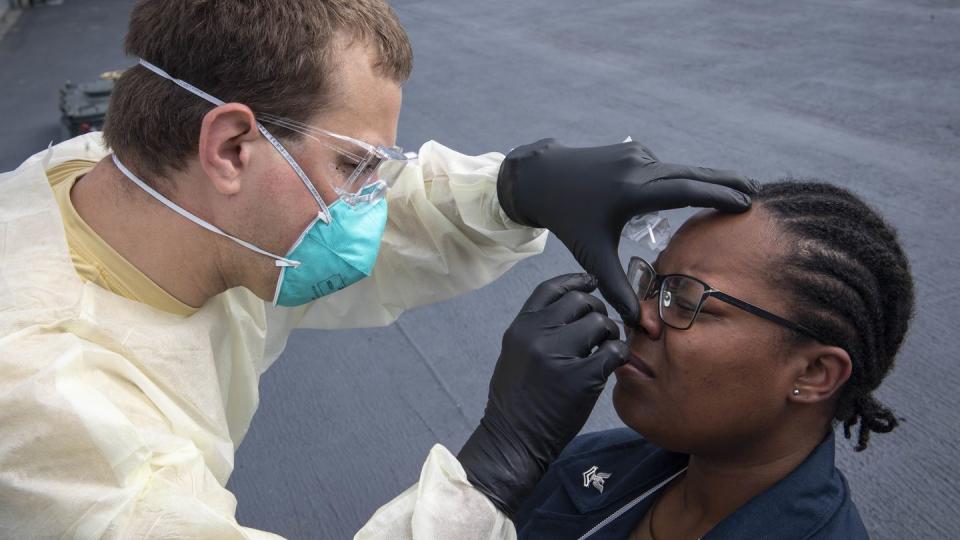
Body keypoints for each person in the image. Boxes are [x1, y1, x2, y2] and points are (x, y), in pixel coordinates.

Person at [0, 1, 759, 538]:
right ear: (230, 146)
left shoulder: (118, 178)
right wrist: (493, 471)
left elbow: (381, 213)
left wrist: (514, 190)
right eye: (356, 163)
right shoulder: (50, 410)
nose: (372, 198)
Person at [470, 181, 914, 539]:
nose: (638, 314)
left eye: (686, 300)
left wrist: (493, 470)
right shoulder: (586, 462)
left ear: (815, 373)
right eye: (651, 283)